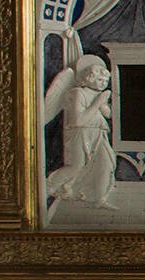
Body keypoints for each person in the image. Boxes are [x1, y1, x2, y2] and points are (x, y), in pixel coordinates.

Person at [43, 55, 115, 211]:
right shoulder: (77, 93)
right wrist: (98, 102)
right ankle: (47, 187)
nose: (103, 84)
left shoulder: (97, 94)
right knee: (76, 166)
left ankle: (99, 198)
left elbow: (108, 115)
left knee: (106, 163)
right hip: (79, 134)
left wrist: (103, 103)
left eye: (105, 81)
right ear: (89, 78)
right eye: (100, 80)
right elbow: (79, 121)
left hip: (98, 133)